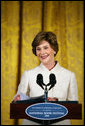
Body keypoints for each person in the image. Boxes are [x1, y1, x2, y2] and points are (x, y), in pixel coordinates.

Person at [13, 31, 78, 125]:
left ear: (54, 49)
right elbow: (18, 102)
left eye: (46, 48)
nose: (42, 52)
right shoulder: (28, 74)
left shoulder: (69, 75)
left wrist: (57, 102)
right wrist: (17, 99)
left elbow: (74, 107)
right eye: (38, 49)